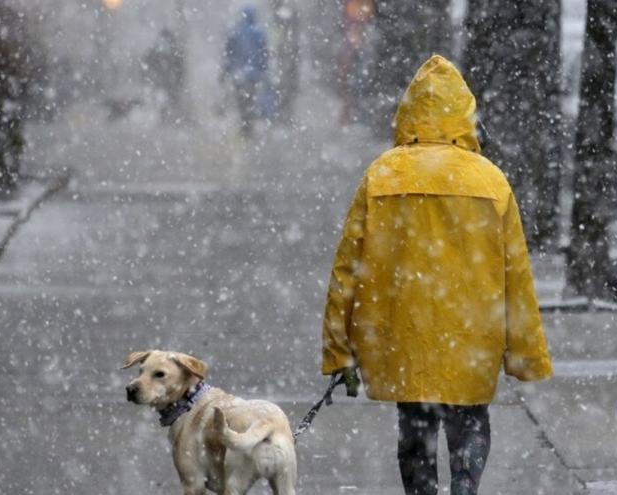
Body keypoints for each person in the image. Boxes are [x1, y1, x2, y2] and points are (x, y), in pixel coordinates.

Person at [321, 55, 553, 495]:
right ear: (464, 114)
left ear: (407, 112)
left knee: (415, 429)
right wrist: (524, 354)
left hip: (404, 333)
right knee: (470, 422)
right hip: (472, 333)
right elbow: (515, 275)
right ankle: (465, 488)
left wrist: (340, 351)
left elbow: (347, 269)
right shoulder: (490, 181)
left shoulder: (382, 173)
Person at [221, 6, 269, 137]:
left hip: (239, 74)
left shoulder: (235, 32)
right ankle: (249, 123)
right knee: (251, 99)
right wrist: (263, 69)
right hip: (253, 75)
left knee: (241, 99)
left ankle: (244, 124)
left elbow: (229, 54)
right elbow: (264, 54)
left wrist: (226, 71)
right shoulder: (259, 33)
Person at [143, 28, 185, 122]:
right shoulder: (173, 50)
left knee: (164, 98)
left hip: (164, 80)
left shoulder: (158, 49)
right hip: (167, 80)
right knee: (166, 98)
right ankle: (166, 115)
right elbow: (179, 67)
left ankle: (165, 115)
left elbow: (148, 60)